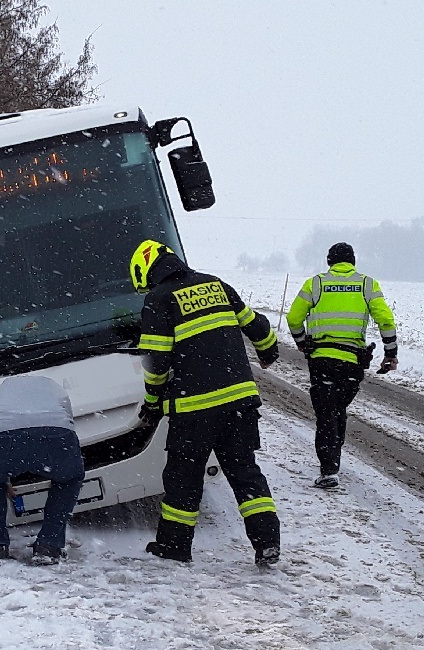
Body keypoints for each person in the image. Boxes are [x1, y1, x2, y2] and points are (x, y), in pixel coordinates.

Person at [131, 240, 282, 566]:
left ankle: (175, 547)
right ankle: (267, 543)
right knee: (244, 472)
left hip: (193, 409)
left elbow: (155, 363)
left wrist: (153, 402)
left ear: (147, 271)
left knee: (183, 478)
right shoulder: (217, 285)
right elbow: (258, 327)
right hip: (239, 403)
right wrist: (268, 351)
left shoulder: (158, 300)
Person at [286, 242, 398, 488]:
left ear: (329, 262)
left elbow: (293, 318)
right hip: (352, 362)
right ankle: (332, 460)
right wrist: (391, 353)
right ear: (353, 262)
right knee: (338, 409)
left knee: (326, 413)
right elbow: (386, 320)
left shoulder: (315, 283)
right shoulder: (367, 284)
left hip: (322, 360)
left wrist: (302, 343)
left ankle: (329, 469)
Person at [0, 375, 84, 564]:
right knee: (69, 479)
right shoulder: (54, 388)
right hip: (55, 433)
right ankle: (49, 545)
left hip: (4, 435)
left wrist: (3, 479)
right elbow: (68, 423)